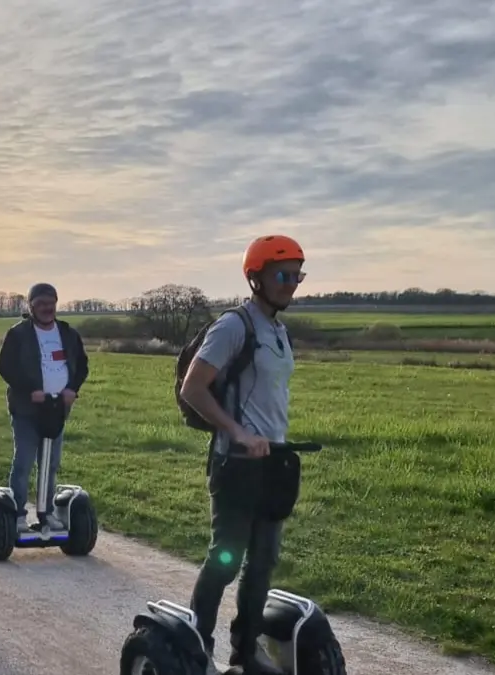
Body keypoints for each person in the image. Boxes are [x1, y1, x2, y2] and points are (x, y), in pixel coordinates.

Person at [179, 234, 304, 675]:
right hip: (235, 465)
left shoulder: (278, 329)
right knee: (225, 559)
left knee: (264, 561)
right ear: (256, 278)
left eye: (297, 275)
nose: (292, 283)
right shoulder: (236, 326)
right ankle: (198, 651)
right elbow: (192, 388)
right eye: (283, 275)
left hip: (273, 464)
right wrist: (236, 431)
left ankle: (245, 650)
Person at [0, 283, 89, 533]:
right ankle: (18, 515)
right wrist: (29, 391)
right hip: (27, 408)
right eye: (41, 304)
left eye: (51, 303)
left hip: (57, 407)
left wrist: (73, 389)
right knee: (24, 462)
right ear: (31, 306)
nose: (47, 308)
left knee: (51, 463)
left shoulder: (68, 333)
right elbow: (5, 367)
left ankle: (46, 513)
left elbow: (81, 365)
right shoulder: (18, 334)